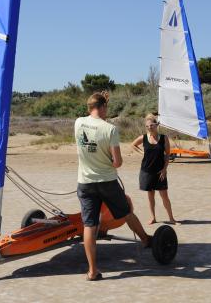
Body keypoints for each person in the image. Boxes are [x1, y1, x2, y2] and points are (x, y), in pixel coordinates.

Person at [75, 92, 151, 281]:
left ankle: (92, 271)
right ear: (101, 107)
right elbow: (117, 162)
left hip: (85, 182)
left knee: (89, 225)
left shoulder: (78, 123)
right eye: (106, 107)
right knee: (126, 211)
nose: (107, 111)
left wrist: (101, 98)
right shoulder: (110, 129)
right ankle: (145, 239)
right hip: (106, 181)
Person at [131, 114, 177, 225]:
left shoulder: (163, 138)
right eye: (147, 126)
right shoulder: (144, 137)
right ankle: (153, 218)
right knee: (150, 195)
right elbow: (133, 145)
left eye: (151, 125)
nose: (149, 128)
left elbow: (167, 154)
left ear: (156, 125)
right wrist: (142, 153)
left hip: (160, 171)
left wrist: (165, 169)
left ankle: (171, 218)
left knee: (164, 196)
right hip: (146, 171)